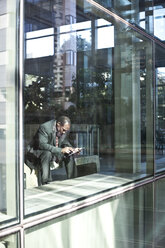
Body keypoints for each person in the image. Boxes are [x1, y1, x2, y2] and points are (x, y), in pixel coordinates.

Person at [25, 116, 80, 185]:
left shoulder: (63, 129)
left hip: (53, 151)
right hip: (38, 152)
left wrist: (72, 149)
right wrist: (61, 150)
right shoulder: (45, 127)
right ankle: (46, 182)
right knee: (47, 153)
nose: (64, 132)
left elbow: (65, 142)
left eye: (66, 131)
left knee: (69, 154)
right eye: (64, 130)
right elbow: (42, 145)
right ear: (58, 124)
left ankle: (73, 180)